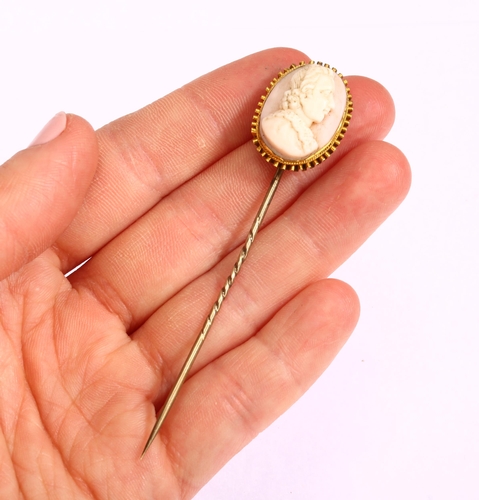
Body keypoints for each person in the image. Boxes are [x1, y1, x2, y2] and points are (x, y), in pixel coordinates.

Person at [0, 47, 410, 499]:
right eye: (322, 102)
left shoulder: (298, 138)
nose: (325, 110)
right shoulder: (278, 131)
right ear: (303, 97)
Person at [261, 64, 336, 159]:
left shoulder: (308, 143)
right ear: (304, 94)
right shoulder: (276, 127)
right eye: (325, 94)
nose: (332, 105)